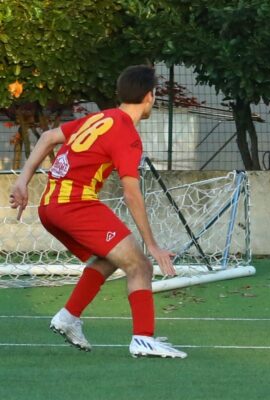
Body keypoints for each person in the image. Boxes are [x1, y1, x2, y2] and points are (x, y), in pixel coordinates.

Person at [9, 65, 187, 358]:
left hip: (50, 206)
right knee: (140, 265)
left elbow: (48, 137)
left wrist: (22, 181)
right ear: (149, 97)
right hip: (74, 205)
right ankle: (143, 339)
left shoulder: (100, 117)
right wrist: (153, 245)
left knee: (108, 259)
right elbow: (131, 192)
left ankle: (68, 317)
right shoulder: (126, 134)